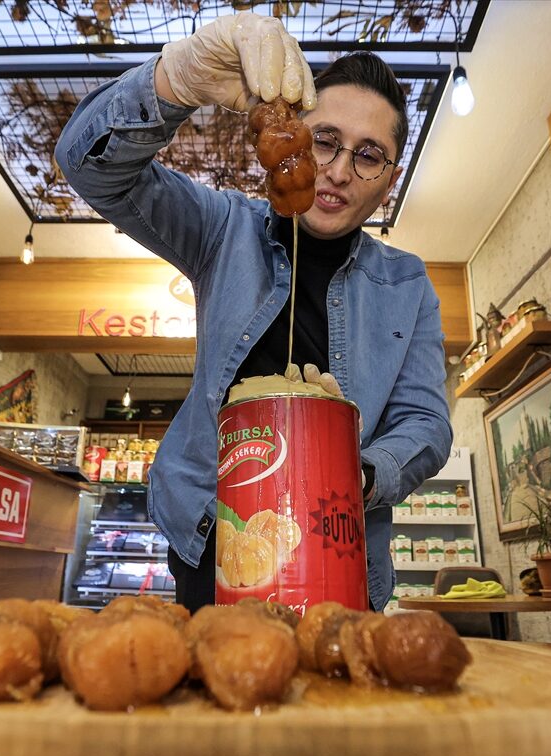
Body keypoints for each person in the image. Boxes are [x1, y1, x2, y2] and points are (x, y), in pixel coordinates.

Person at [55, 12, 453, 613]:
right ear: (297, 134)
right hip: (214, 541)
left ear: (389, 180)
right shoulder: (224, 229)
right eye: (325, 140)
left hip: (338, 550)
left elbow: (426, 424)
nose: (340, 171)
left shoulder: (409, 283)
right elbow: (88, 166)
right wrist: (173, 82)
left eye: (369, 155)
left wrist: (353, 473)